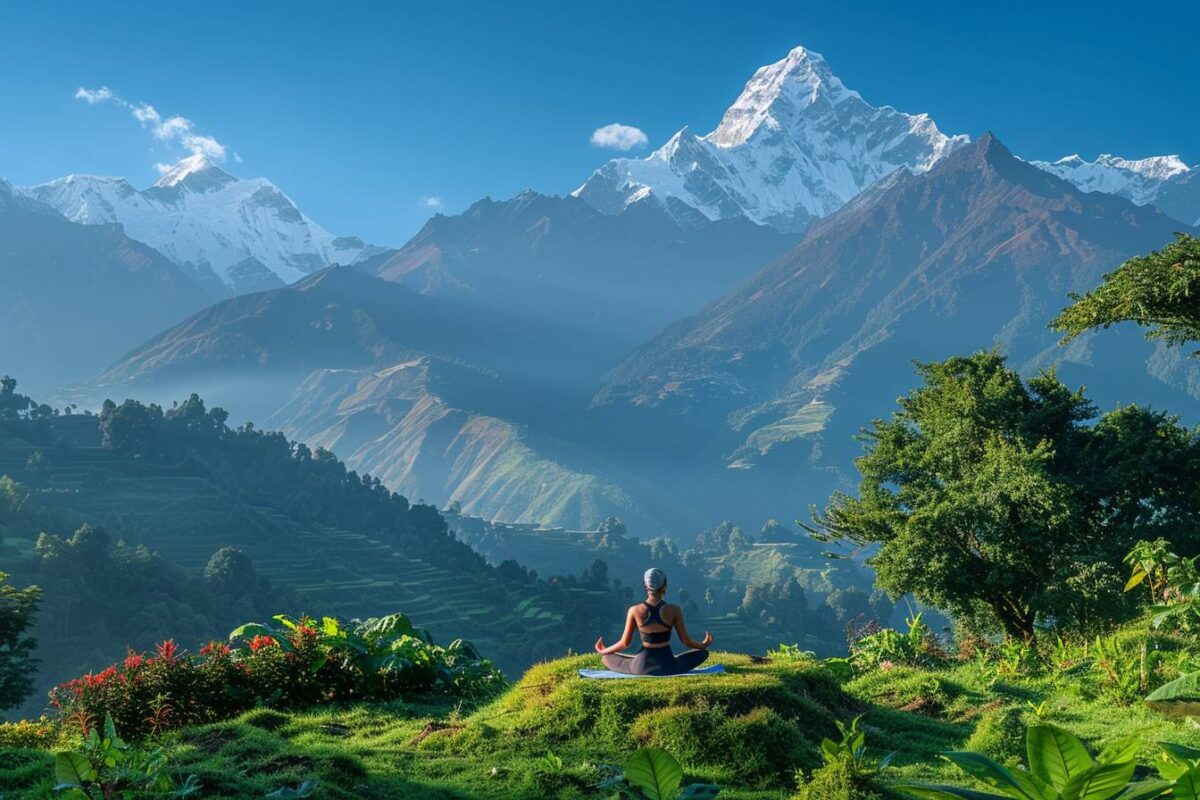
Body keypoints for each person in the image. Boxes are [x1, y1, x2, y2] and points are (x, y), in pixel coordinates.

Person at [594, 567, 713, 675]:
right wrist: (702, 645)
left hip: (640, 667)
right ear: (664, 586)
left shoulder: (634, 610)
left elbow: (625, 643)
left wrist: (604, 650)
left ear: (645, 586)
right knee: (703, 653)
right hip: (668, 666)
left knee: (606, 658)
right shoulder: (674, 610)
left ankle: (615, 657)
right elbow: (685, 641)